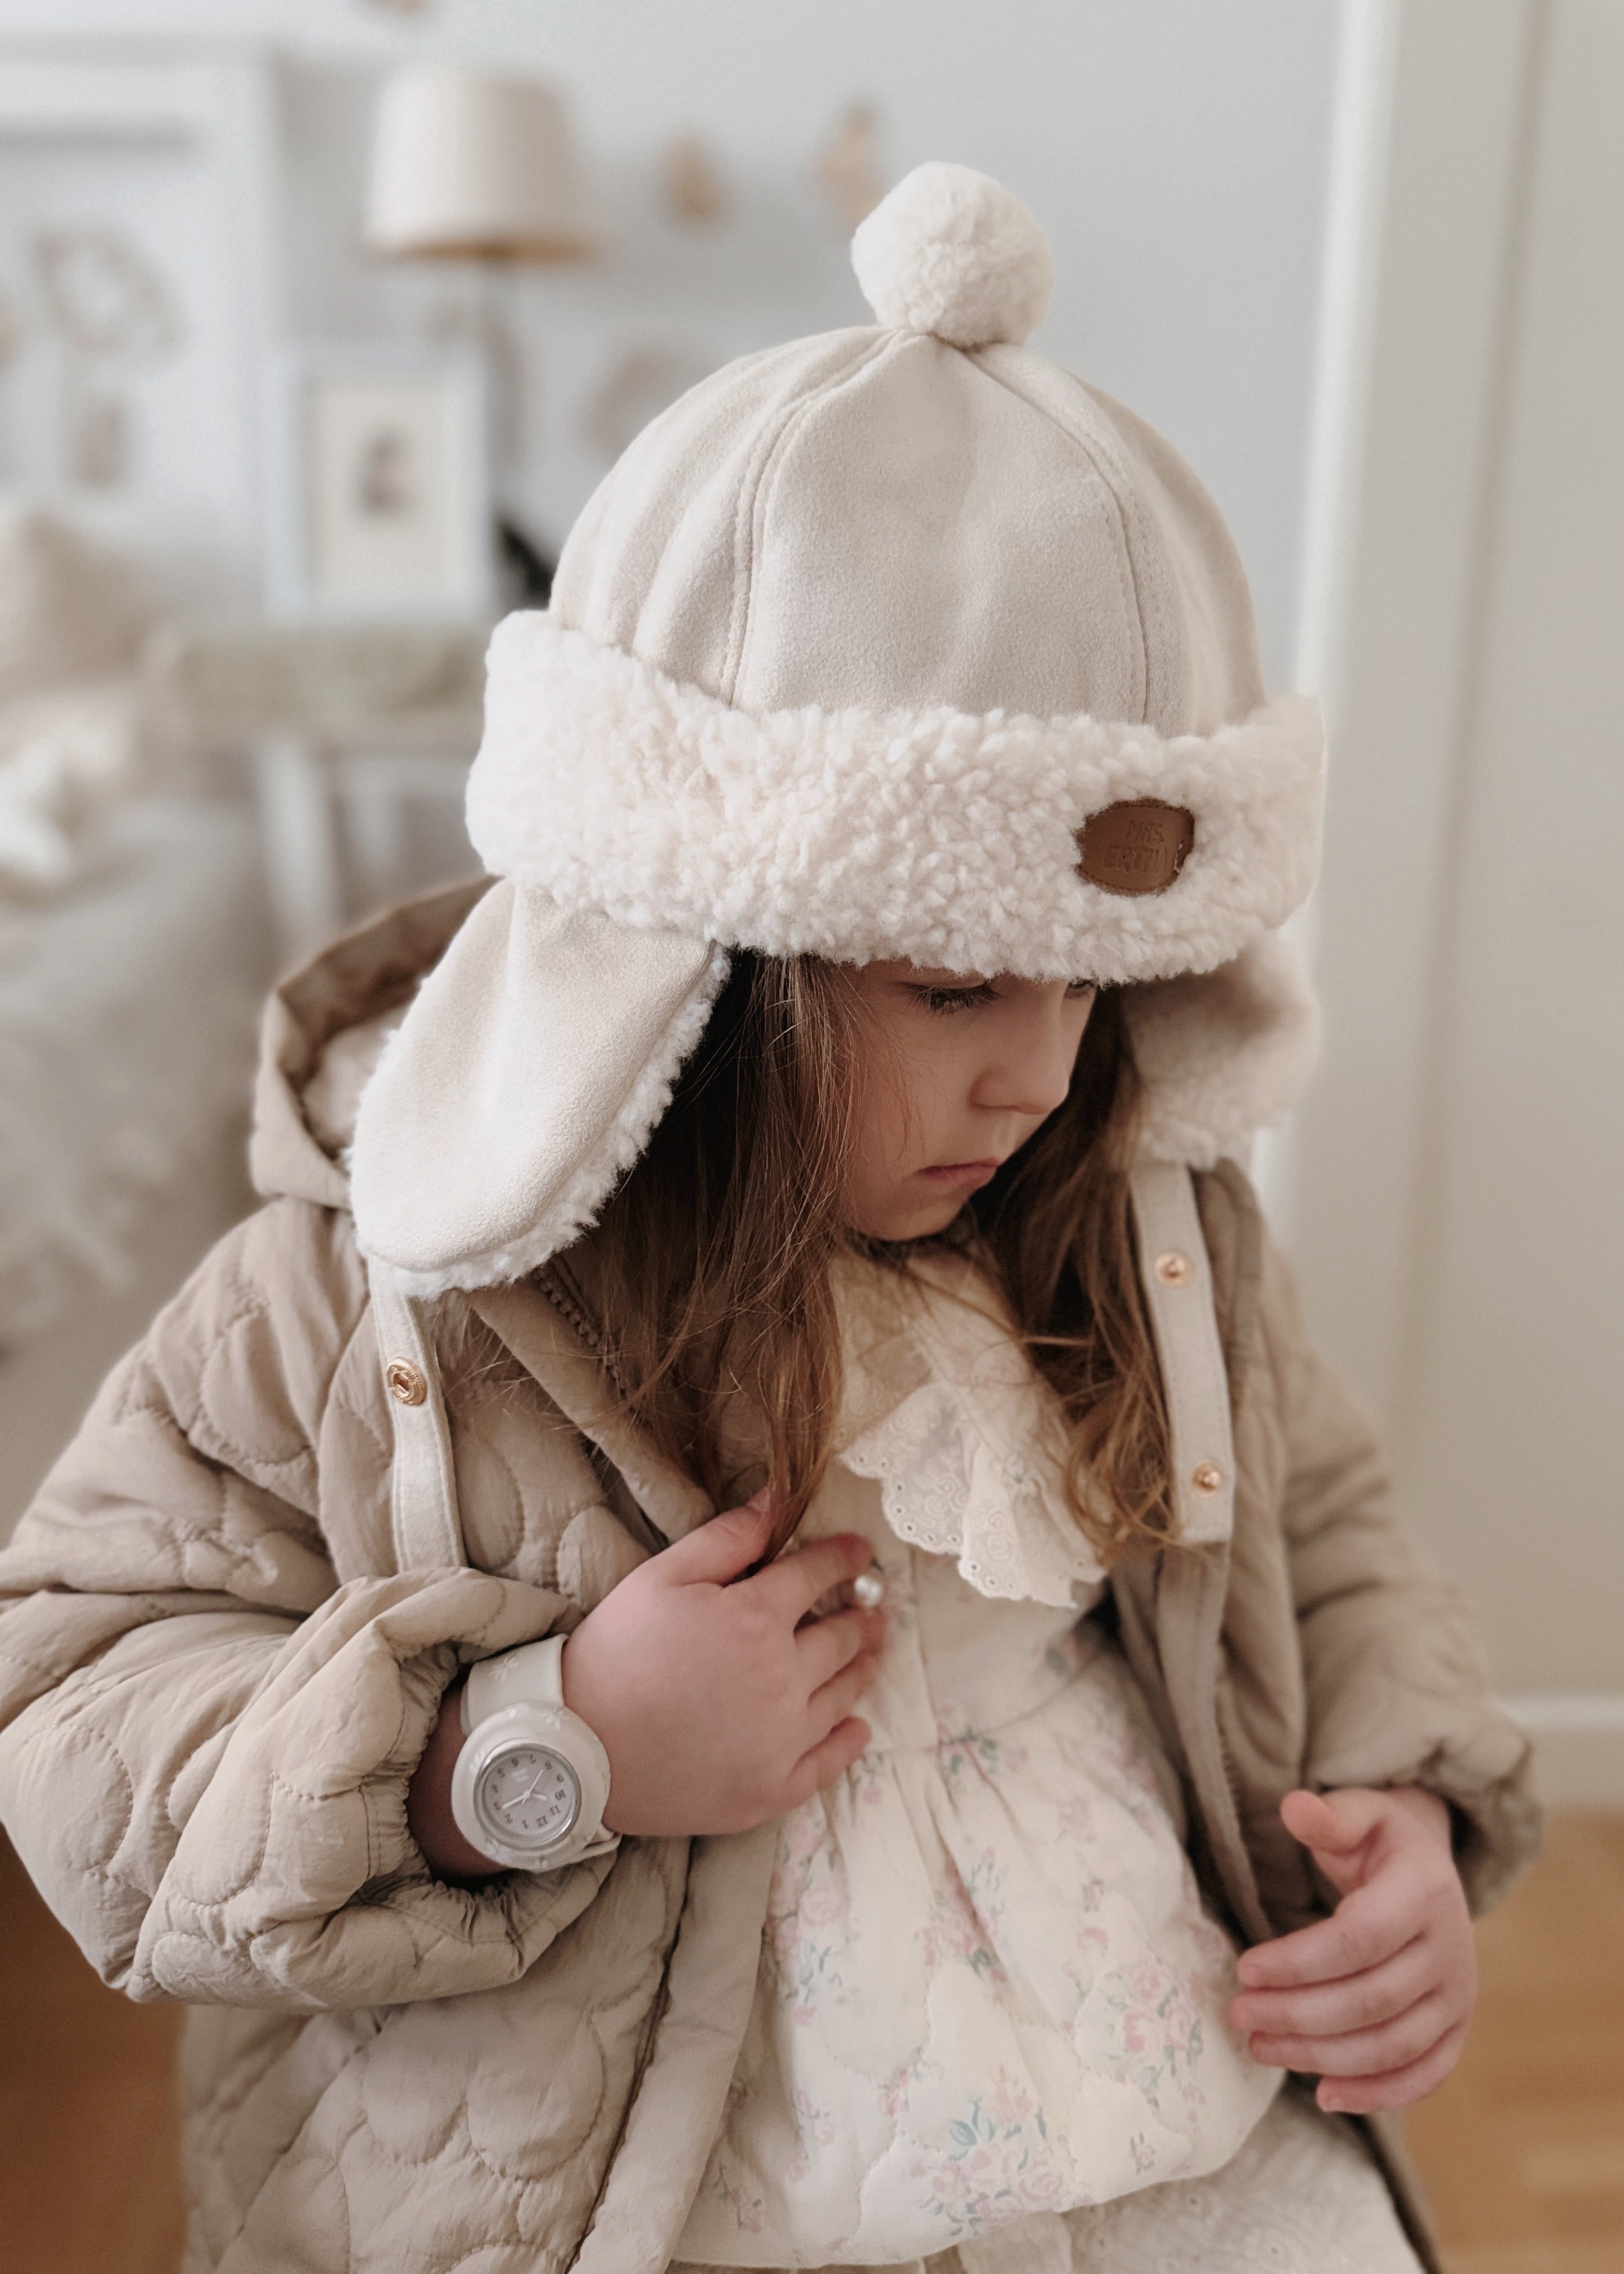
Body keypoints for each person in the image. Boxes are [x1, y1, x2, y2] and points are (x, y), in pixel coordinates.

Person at [0, 165, 1538, 2274]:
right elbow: (76, 1689)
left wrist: (1411, 1814)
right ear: (697, 971)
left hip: (1155, 2067)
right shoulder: (374, 1298)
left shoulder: (1128, 1220)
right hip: (657, 2156)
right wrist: (538, 1746)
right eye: (955, 990)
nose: (1043, 1078)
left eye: (1097, 990)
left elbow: (1322, 1521)